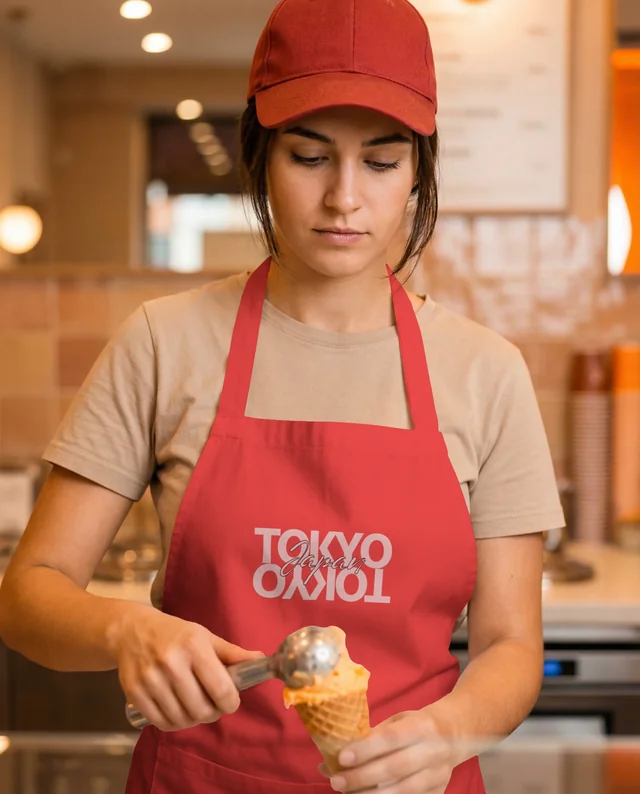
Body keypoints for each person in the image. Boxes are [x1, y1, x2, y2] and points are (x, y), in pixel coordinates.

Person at [0, 0, 565, 792]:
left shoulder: (486, 371)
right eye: (309, 157)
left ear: (418, 172)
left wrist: (444, 734)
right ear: (261, 156)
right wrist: (124, 628)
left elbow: (511, 646)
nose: (344, 198)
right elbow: (28, 596)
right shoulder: (165, 343)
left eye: (381, 161)